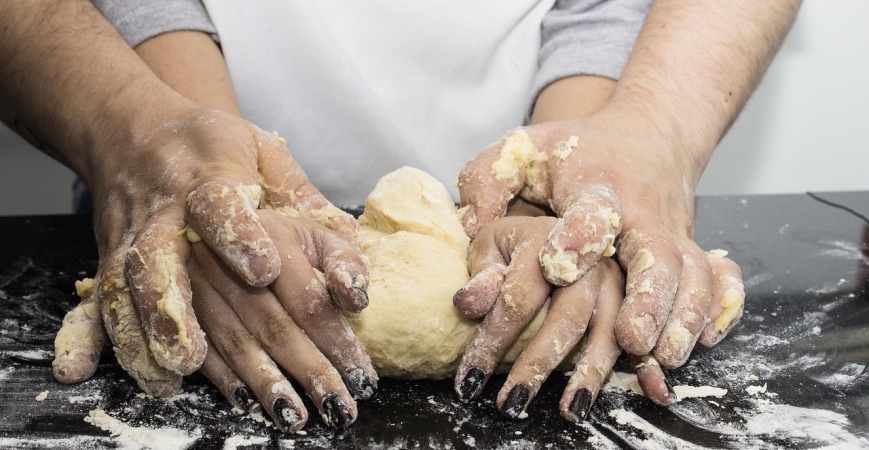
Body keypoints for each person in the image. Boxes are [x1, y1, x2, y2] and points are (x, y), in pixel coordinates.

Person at [0, 0, 800, 431]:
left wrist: (601, 155)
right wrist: (169, 141)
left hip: (567, 130)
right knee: (204, 233)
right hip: (160, 106)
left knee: (576, 259)